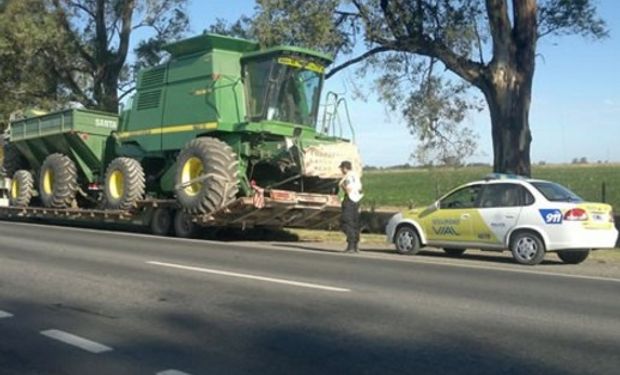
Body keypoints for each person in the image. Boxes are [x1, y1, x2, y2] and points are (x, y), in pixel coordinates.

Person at [338, 160, 363, 253]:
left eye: (341, 168)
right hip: (357, 200)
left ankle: (351, 245)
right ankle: (356, 245)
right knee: (355, 222)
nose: (341, 170)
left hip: (349, 200)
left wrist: (342, 187)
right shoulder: (356, 176)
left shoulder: (348, 177)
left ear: (344, 168)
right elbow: (360, 188)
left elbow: (348, 189)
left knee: (346, 222)